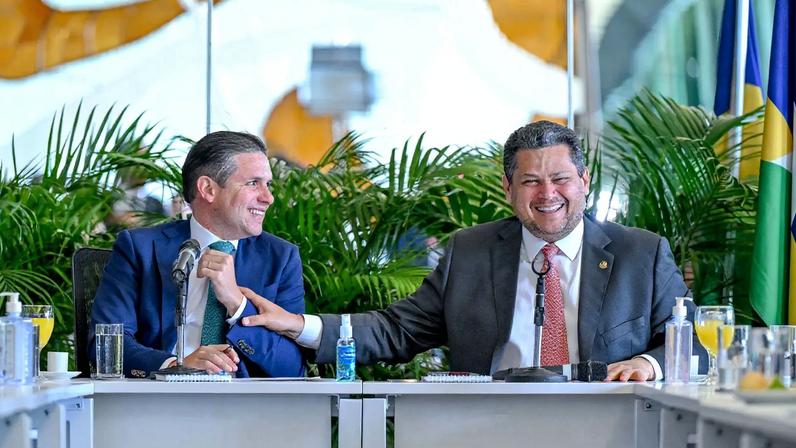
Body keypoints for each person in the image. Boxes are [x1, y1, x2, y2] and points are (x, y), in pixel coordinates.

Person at [240, 121, 706, 381]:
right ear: (508, 189)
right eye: (530, 181)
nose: (547, 193)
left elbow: (699, 345)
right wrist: (299, 325)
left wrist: (647, 364)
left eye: (561, 179)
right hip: (489, 426)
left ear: (584, 181)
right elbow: (396, 330)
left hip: (606, 427)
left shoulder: (641, 254)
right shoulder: (471, 251)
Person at [90, 131, 305, 378]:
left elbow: (292, 367)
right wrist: (175, 365)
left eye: (268, 185)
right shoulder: (140, 248)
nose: (268, 198)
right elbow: (105, 346)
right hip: (158, 395)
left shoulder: (280, 258)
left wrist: (238, 305)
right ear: (208, 189)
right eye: (253, 183)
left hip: (244, 399)